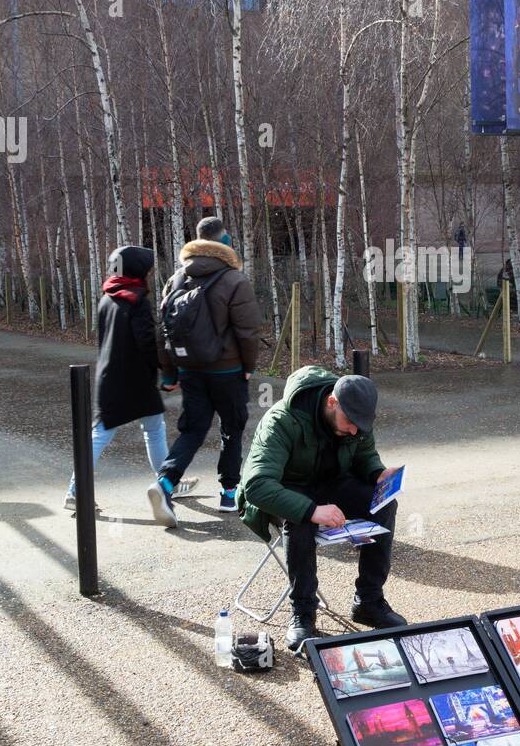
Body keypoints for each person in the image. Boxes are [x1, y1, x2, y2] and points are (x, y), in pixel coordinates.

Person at [238, 365, 406, 651]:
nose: (355, 429)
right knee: (300, 520)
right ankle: (303, 612)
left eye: (360, 425)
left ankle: (368, 600)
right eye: (350, 422)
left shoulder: (357, 417)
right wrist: (313, 510)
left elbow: (365, 454)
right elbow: (257, 485)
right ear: (332, 402)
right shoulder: (281, 420)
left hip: (330, 484)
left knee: (384, 505)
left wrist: (377, 474)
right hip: (285, 491)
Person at [148, 216, 262, 526]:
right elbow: (247, 331)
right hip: (228, 371)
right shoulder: (235, 280)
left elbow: (164, 332)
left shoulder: (176, 280)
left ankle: (165, 483)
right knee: (232, 428)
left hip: (191, 370)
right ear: (224, 242)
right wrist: (249, 367)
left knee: (193, 430)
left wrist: (169, 374)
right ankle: (228, 493)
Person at [64, 245, 196, 511]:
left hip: (110, 376)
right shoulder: (137, 300)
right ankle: (164, 482)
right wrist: (165, 371)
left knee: (117, 431)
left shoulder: (107, 298)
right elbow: (148, 343)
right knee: (146, 432)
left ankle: (166, 481)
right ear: (137, 271)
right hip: (135, 381)